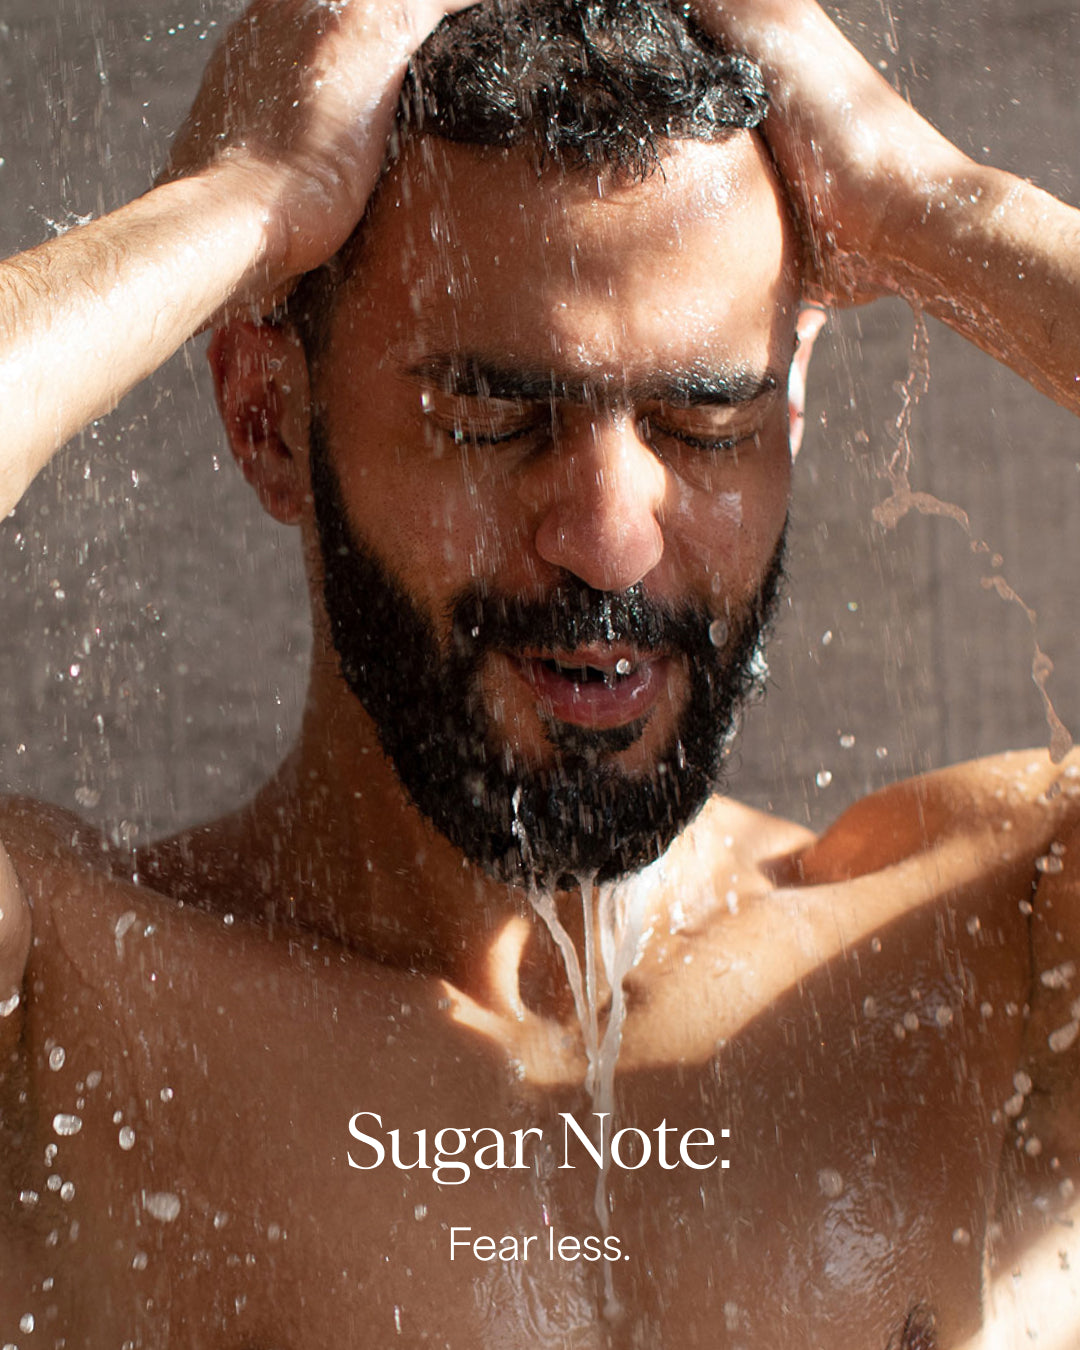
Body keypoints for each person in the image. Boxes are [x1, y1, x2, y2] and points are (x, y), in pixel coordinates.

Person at [2, 0, 1080, 1344]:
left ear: (790, 410)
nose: (613, 540)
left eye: (706, 423)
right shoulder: (69, 1003)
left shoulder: (989, 937)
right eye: (494, 420)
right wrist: (243, 206)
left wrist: (929, 201)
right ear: (268, 420)